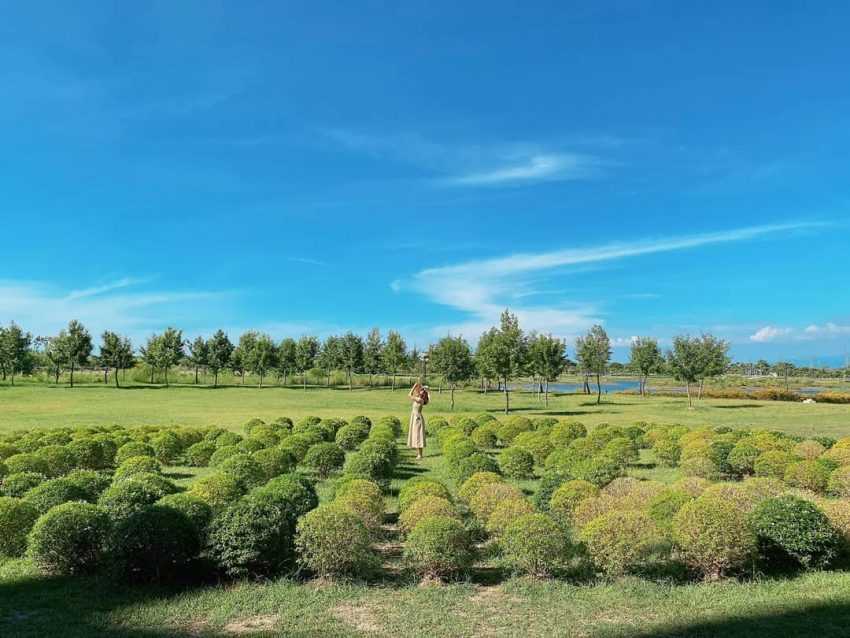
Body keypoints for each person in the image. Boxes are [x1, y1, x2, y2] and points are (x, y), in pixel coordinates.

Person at [407, 381, 428, 460]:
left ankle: (420, 455)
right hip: (415, 417)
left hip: (417, 418)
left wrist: (414, 386)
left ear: (423, 394)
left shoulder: (420, 399)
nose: (420, 391)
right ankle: (418, 454)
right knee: (416, 435)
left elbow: (409, 395)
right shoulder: (419, 398)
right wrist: (418, 387)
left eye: (421, 391)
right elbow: (415, 393)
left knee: (418, 436)